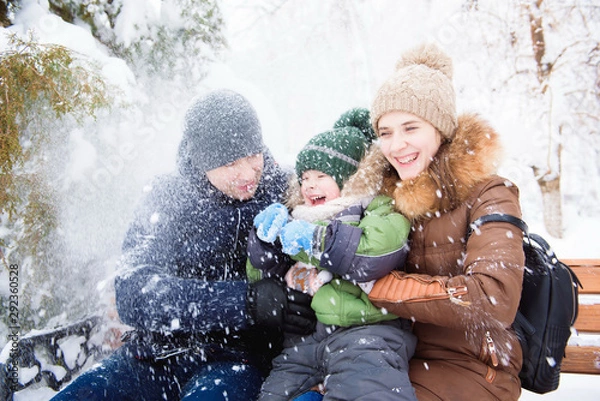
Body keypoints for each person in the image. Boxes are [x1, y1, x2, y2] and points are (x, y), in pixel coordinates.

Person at [50, 89, 316, 401]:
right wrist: (245, 302)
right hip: (150, 359)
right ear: (202, 161)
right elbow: (133, 292)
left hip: (235, 363)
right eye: (230, 162)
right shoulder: (168, 198)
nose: (247, 172)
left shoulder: (287, 192)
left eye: (252, 155)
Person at [312, 43, 526, 400]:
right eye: (385, 132)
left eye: (410, 128)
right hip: (388, 355)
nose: (397, 145)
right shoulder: (382, 201)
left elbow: (494, 296)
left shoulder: (491, 193)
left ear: (440, 129)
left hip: (471, 367)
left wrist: (380, 287)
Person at [247, 108, 418, 401]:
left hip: (368, 331)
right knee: (276, 392)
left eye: (321, 175)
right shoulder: (298, 217)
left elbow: (375, 252)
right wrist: (265, 243)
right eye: (304, 177)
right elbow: (262, 275)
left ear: (348, 178)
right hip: (310, 338)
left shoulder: (375, 207)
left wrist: (315, 241)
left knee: (368, 390)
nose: (309, 184)